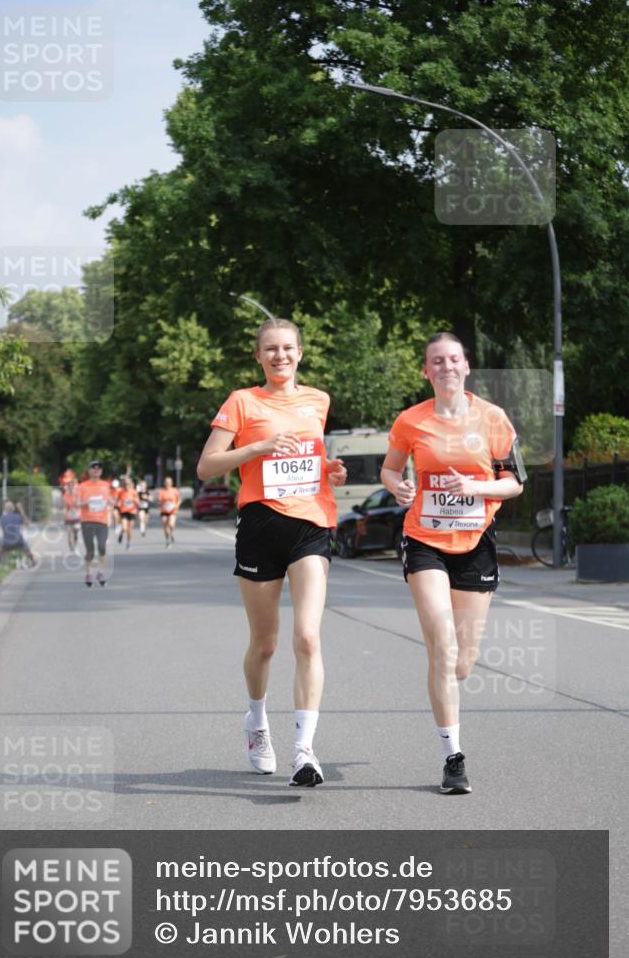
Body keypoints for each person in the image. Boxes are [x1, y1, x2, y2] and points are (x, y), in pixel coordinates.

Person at [197, 318, 346, 787]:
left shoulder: (318, 400)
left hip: (312, 522)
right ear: (258, 356)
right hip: (260, 525)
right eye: (271, 349)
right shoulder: (242, 402)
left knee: (308, 637)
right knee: (265, 644)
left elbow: (309, 461)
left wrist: (330, 470)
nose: (280, 356)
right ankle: (257, 722)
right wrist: (257, 446)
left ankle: (304, 751)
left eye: (287, 348)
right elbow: (206, 467)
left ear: (300, 353)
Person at [380, 332, 526, 794]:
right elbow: (390, 468)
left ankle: (446, 680)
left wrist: (476, 488)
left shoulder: (492, 418)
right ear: (426, 371)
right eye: (437, 361)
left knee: (463, 661)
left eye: (453, 359)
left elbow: (515, 483)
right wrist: (397, 487)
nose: (446, 366)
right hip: (425, 540)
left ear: (466, 367)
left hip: (476, 541)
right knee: (442, 647)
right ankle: (453, 758)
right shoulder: (411, 420)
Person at [78, 460, 113, 586]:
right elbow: (77, 503)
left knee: (102, 546)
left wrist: (111, 502)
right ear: (89, 471)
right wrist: (87, 502)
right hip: (87, 521)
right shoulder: (82, 486)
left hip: (102, 521)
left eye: (99, 468)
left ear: (101, 471)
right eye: (94, 468)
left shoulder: (105, 485)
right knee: (90, 550)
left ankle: (101, 572)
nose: (96, 470)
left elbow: (110, 500)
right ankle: (89, 573)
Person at [0, 500, 36, 566]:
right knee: (26, 546)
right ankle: (33, 561)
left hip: (6, 543)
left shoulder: (2, 518)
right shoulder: (17, 516)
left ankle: (2, 562)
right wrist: (21, 509)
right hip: (18, 541)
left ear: (5, 509)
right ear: (13, 509)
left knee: (0, 544)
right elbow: (28, 523)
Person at [157, 477, 181, 547]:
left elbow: (179, 500)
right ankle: (167, 540)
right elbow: (159, 501)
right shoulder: (161, 491)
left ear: (171, 483)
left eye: (169, 482)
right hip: (164, 510)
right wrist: (160, 503)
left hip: (173, 510)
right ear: (164, 483)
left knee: (171, 525)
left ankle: (171, 532)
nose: (168, 483)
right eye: (166, 482)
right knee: (165, 525)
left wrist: (177, 505)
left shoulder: (175, 490)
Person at [118, 477, 140, 550]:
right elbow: (118, 501)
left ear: (131, 484)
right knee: (124, 528)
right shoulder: (121, 492)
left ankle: (128, 543)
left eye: (128, 484)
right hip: (124, 512)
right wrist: (118, 504)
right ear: (123, 484)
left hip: (132, 512)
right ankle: (121, 534)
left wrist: (135, 500)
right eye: (125, 484)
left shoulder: (134, 492)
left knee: (130, 529)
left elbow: (138, 503)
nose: (127, 485)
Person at [61, 478, 81, 551]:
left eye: (72, 486)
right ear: (68, 487)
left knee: (76, 531)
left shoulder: (77, 495)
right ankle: (70, 544)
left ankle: (74, 544)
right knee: (69, 533)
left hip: (77, 516)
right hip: (68, 517)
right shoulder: (65, 496)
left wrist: (77, 504)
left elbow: (79, 504)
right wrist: (64, 512)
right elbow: (64, 506)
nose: (71, 487)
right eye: (69, 486)